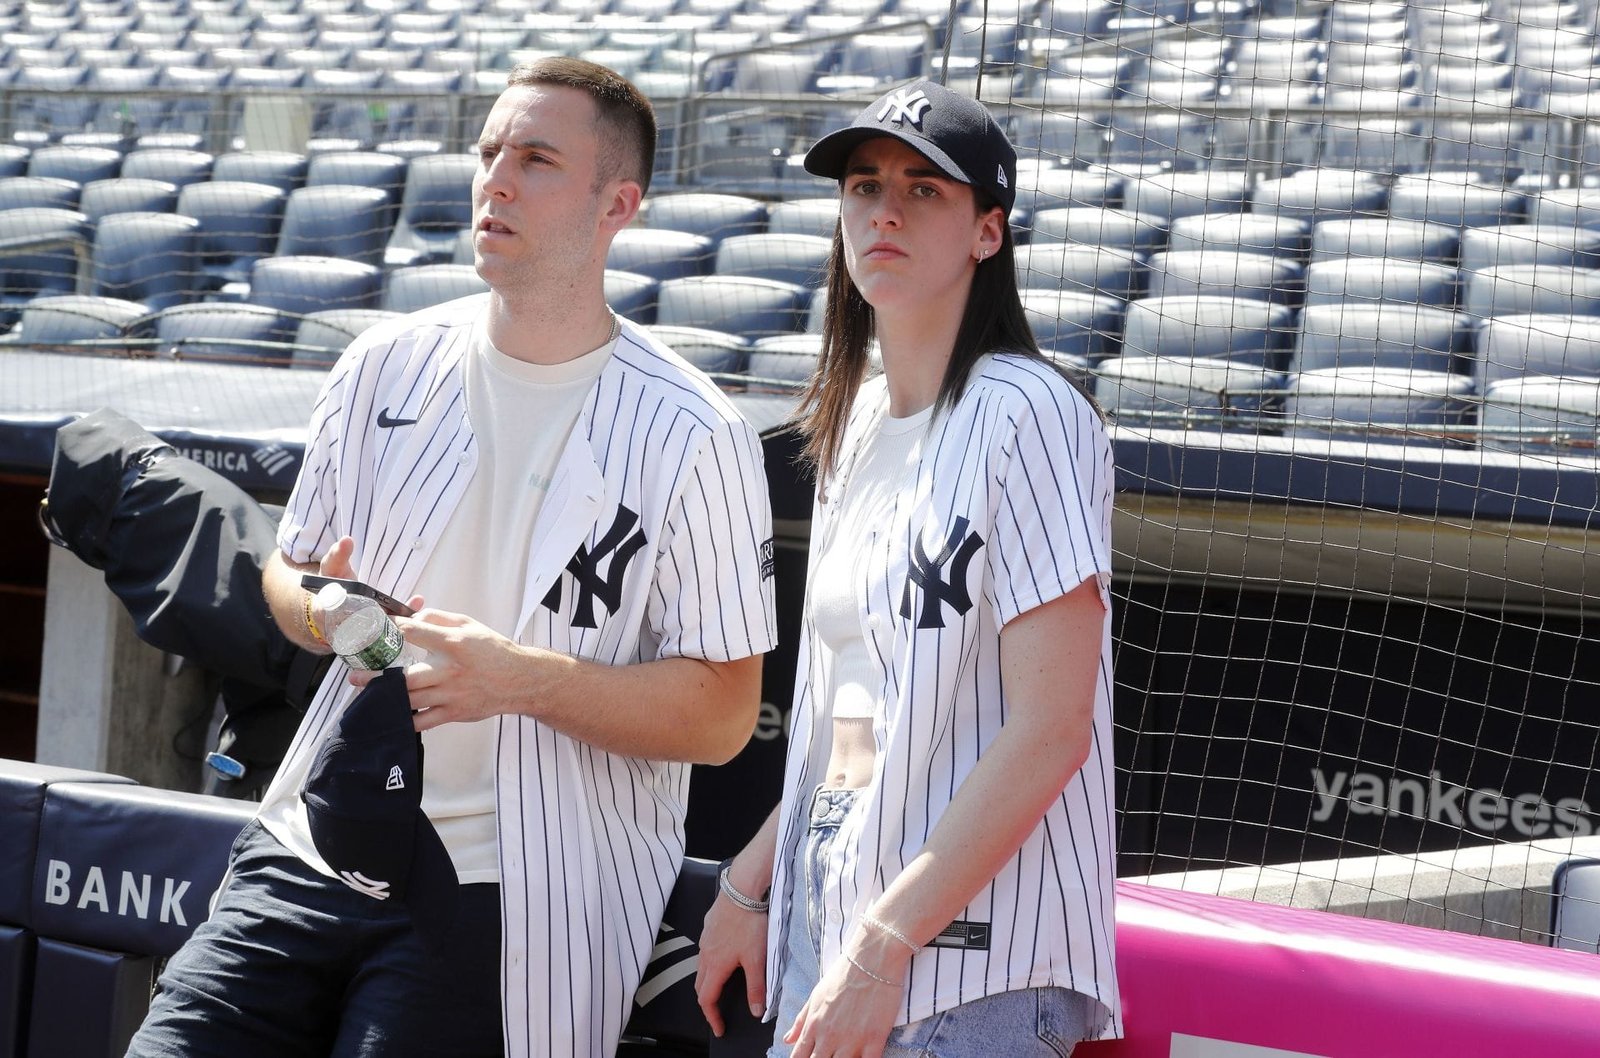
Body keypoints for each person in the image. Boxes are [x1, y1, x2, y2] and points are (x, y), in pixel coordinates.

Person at [126, 57, 778, 1058]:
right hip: (313, 842)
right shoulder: (382, 360)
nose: (495, 180)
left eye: (535, 158)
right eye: (487, 153)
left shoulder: (697, 429)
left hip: (520, 891)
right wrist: (324, 610)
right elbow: (288, 568)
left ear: (619, 203)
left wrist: (519, 679)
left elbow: (727, 715)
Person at [693, 80, 1123, 1058]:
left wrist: (882, 947)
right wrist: (755, 876)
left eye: (924, 189)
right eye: (863, 183)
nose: (882, 208)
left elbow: (1050, 730)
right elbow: (854, 722)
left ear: (986, 231)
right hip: (838, 950)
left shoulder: (1032, 411)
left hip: (965, 971)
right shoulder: (853, 422)